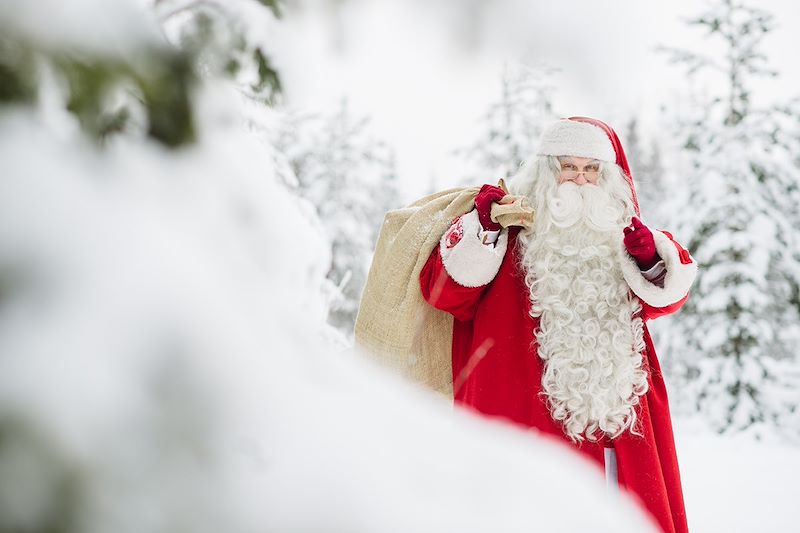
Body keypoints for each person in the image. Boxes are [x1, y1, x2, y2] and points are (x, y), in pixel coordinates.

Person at [419, 117, 697, 533]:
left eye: (591, 170)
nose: (580, 180)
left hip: (615, 433)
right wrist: (484, 228)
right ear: (546, 171)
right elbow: (445, 293)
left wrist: (650, 260)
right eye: (568, 167)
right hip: (524, 426)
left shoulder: (623, 237)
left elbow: (669, 295)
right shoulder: (505, 234)